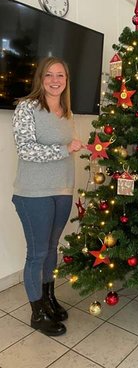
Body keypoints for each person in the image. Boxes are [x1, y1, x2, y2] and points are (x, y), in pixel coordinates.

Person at [12, 56, 84, 336]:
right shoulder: (26, 107)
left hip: (62, 191)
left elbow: (67, 152)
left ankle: (49, 298)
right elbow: (26, 150)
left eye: (61, 76)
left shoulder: (67, 111)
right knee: (37, 253)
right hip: (34, 194)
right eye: (50, 75)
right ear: (40, 79)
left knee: (52, 248)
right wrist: (64, 148)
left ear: (66, 81)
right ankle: (37, 312)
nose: (55, 81)